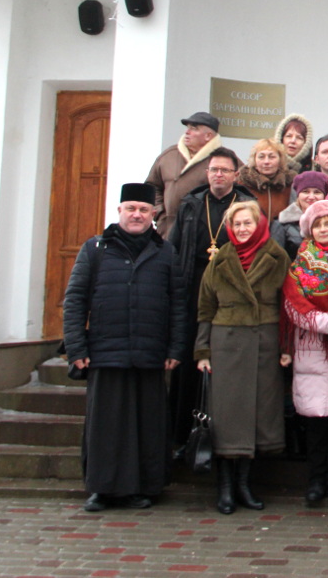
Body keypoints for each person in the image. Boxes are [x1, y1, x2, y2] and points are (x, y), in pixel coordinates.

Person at [63, 183, 186, 512]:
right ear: (119, 210)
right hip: (106, 351)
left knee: (146, 427)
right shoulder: (95, 249)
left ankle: (143, 487)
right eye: (131, 208)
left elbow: (178, 304)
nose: (137, 214)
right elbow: (75, 300)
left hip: (149, 353)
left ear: (153, 215)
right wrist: (76, 348)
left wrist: (175, 348)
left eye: (144, 210)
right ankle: (101, 489)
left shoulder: (165, 252)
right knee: (107, 426)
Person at [195, 200, 291, 514]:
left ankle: (245, 485)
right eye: (236, 224)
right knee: (226, 415)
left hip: (264, 343)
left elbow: (287, 305)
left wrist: (286, 347)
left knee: (255, 415)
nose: (242, 229)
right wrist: (203, 350)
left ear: (259, 224)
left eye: (247, 223)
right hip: (227, 343)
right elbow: (206, 307)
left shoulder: (277, 257)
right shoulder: (219, 259)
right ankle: (224, 488)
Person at [167, 148, 253, 451]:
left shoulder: (246, 205)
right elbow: (173, 248)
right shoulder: (191, 204)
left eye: (225, 170)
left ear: (235, 174)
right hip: (192, 290)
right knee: (190, 364)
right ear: (207, 173)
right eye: (214, 170)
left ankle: (223, 439)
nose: (219, 175)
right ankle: (182, 436)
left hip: (231, 294)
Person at [280, 199, 328, 508]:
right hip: (310, 347)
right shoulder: (299, 263)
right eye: (318, 224)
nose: (324, 229)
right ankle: (315, 481)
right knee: (315, 424)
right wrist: (325, 323)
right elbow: (291, 304)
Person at [145, 111, 233, 237]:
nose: (187, 132)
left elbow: (238, 189)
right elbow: (152, 187)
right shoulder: (168, 156)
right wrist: (160, 214)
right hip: (168, 230)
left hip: (206, 234)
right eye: (188, 128)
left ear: (208, 136)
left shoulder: (224, 159)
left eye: (194, 129)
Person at [272, 170, 328, 258]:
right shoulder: (282, 224)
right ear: (298, 195)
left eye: (317, 192)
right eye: (306, 191)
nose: (311, 197)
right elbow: (276, 259)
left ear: (324, 196)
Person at [236, 138, 294, 222]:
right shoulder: (242, 185)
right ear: (254, 160)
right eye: (261, 157)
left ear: (280, 160)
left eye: (272, 157)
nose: (266, 161)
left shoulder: (289, 185)